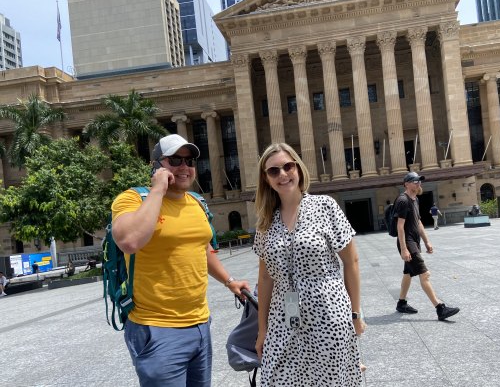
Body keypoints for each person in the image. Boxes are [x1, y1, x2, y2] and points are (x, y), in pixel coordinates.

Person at [111, 134, 249, 387]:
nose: (184, 167)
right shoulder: (132, 199)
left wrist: (229, 281)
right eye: (175, 160)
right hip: (156, 329)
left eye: (190, 160)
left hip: (199, 324)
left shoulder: (197, 203)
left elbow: (202, 249)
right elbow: (129, 241)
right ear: (156, 166)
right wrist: (158, 189)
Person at [253, 143, 365, 386]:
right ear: (266, 178)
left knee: (331, 380)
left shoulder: (325, 206)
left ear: (298, 168)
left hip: (328, 311)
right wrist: (262, 330)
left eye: (288, 166)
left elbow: (351, 261)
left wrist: (355, 313)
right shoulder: (265, 221)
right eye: (274, 171)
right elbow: (265, 278)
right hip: (284, 314)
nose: (282, 174)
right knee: (277, 378)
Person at [394, 172, 459, 321]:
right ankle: (440, 308)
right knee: (425, 274)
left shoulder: (415, 199)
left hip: (414, 241)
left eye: (419, 181)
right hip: (408, 243)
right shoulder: (403, 200)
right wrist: (404, 248)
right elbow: (400, 227)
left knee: (408, 273)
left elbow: (418, 222)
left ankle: (401, 303)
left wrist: (426, 241)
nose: (418, 183)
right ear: (406, 184)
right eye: (414, 181)